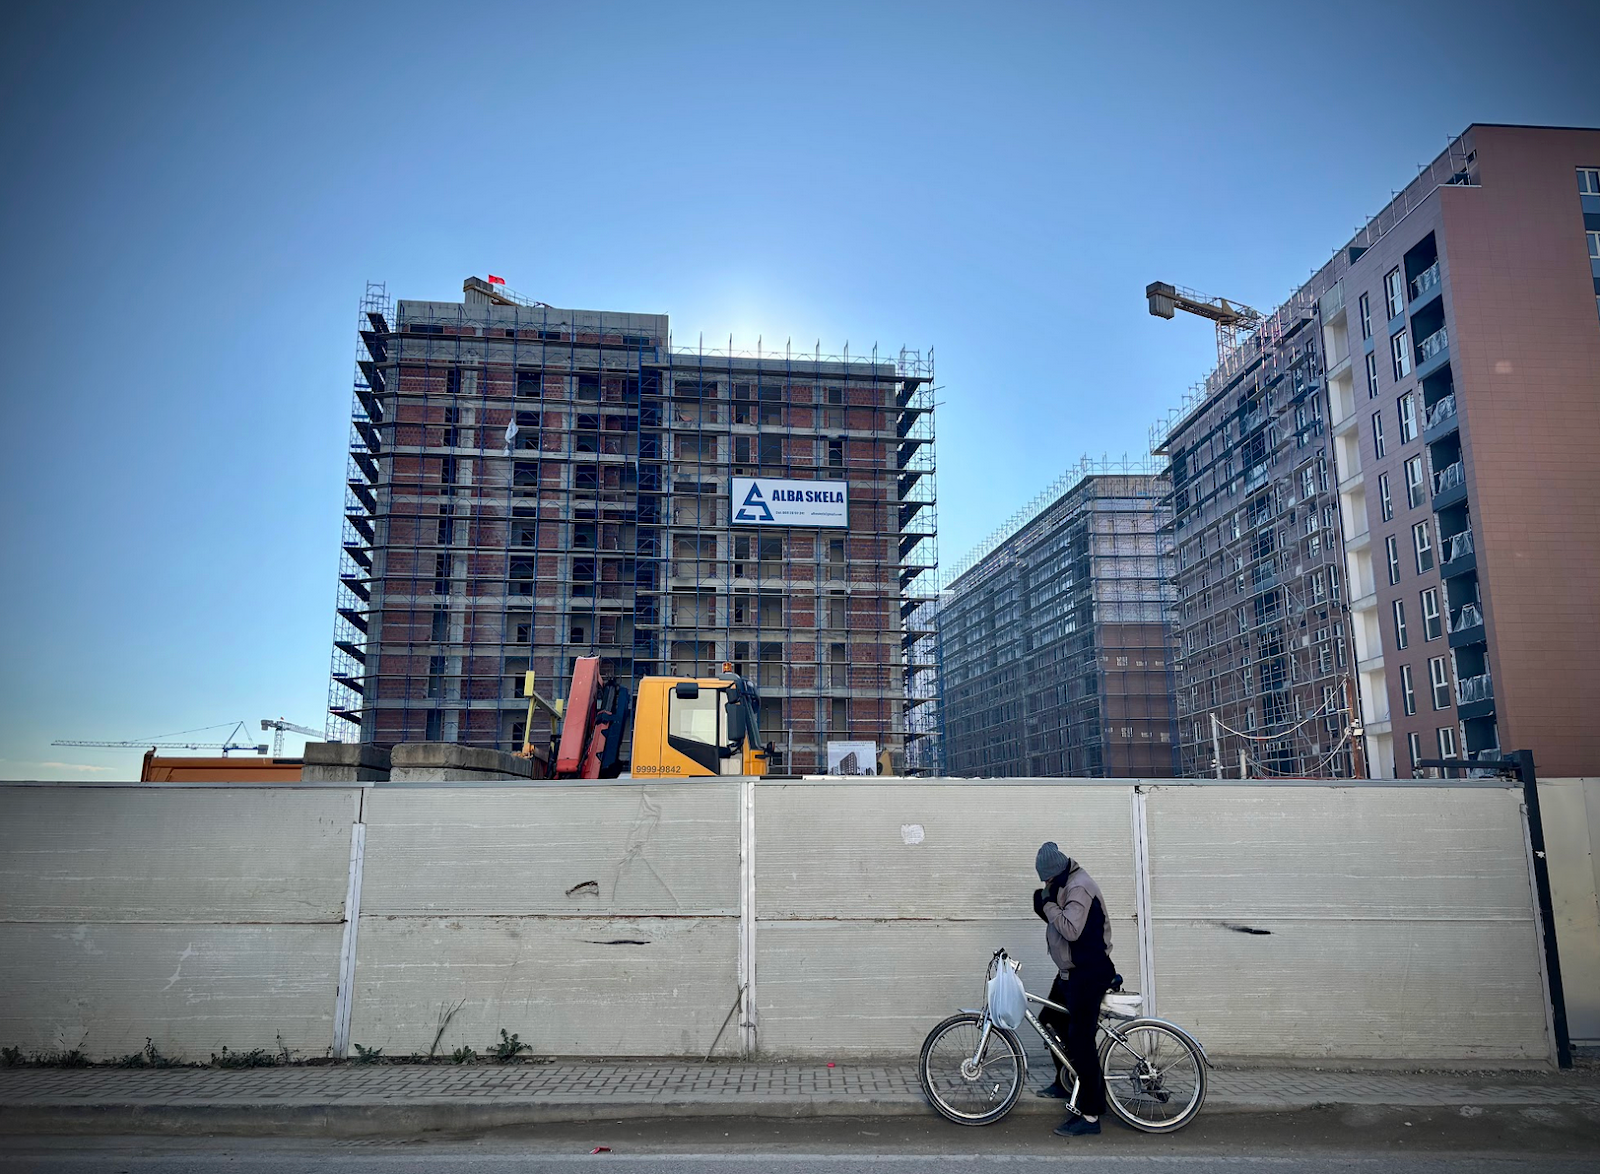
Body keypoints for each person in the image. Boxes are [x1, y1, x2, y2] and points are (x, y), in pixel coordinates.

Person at [1031, 841, 1115, 1137]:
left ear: (1056, 873)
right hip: (1070, 972)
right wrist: (1045, 903)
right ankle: (1065, 1081)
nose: (1046, 885)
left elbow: (1070, 929)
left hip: (1089, 973)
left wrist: (1048, 904)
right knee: (1049, 1021)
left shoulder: (1079, 887)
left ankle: (1090, 1116)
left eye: (1048, 880)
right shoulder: (1064, 882)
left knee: (1081, 1042)